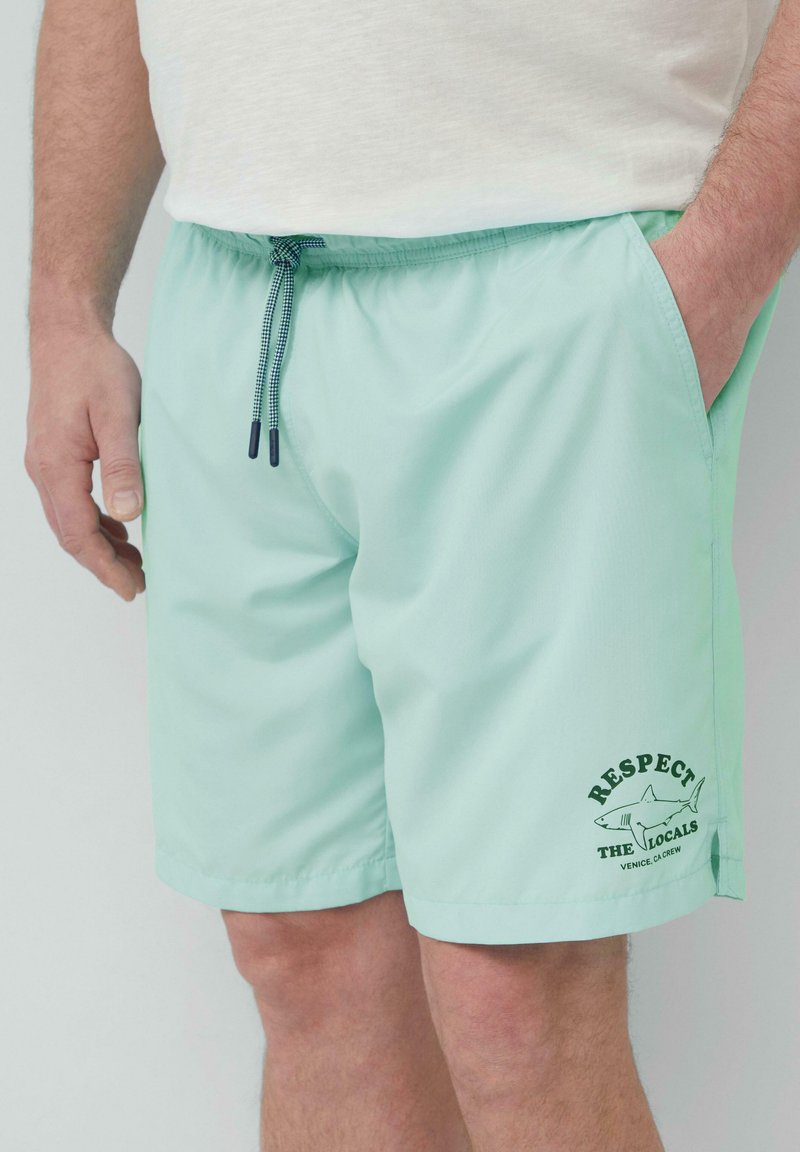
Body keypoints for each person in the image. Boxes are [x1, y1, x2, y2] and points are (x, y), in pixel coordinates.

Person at [25, 1, 798, 1148]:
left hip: (556, 273)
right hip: (236, 293)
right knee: (301, 950)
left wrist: (721, 262)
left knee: (516, 983)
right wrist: (64, 306)